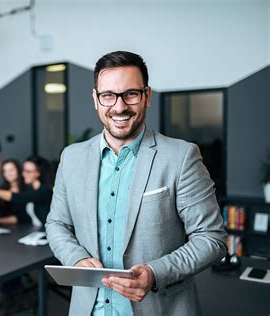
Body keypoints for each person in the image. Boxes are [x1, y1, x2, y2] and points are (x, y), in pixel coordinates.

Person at [45, 51, 227, 316]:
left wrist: (154, 273)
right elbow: (57, 224)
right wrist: (76, 258)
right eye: (108, 95)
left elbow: (211, 238)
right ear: (96, 99)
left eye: (130, 94)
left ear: (147, 96)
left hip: (159, 307)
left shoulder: (181, 156)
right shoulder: (71, 157)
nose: (119, 107)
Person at [0, 156, 53, 226]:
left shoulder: (45, 191)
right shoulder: (30, 189)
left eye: (28, 171)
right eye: (24, 170)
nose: (23, 174)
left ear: (38, 173)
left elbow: (20, 198)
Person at [0, 159, 25, 225]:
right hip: (3, 227)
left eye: (11, 170)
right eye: (5, 171)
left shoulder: (25, 189)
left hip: (21, 228)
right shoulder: (3, 188)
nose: (7, 174)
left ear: (18, 171)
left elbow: (21, 217)